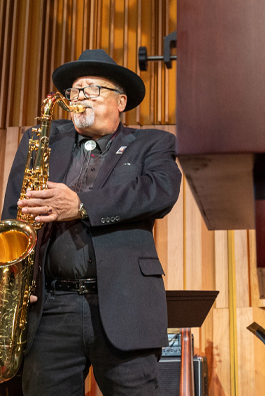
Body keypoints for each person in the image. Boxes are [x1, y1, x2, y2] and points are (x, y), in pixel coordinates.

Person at [1, 49, 181, 395]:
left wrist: (82, 205)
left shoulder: (152, 143)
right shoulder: (41, 141)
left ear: (121, 102)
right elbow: (13, 216)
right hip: (49, 309)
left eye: (93, 89)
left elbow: (161, 191)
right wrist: (13, 282)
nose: (80, 96)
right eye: (74, 90)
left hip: (124, 304)